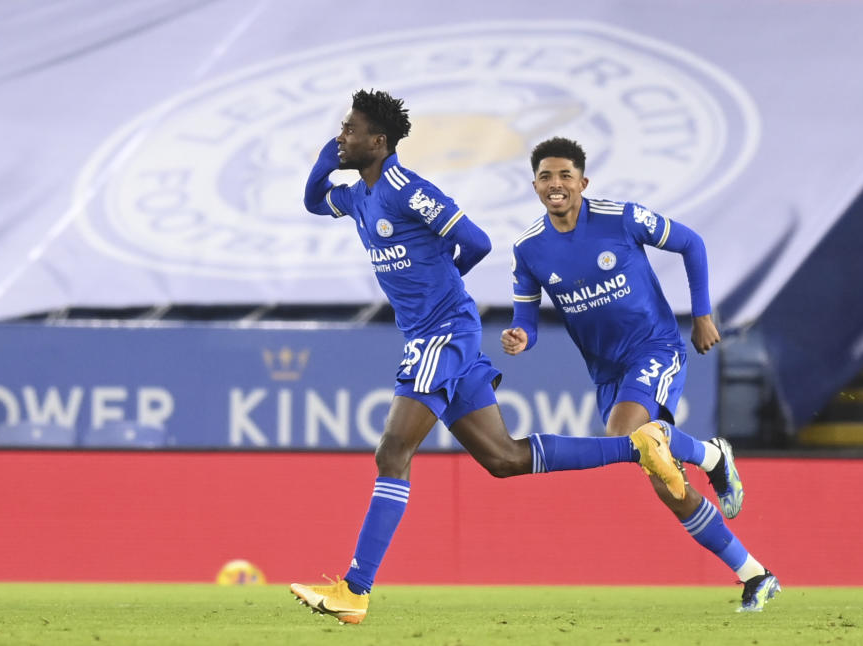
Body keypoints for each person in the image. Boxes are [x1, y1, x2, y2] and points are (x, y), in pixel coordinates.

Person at [289, 91, 686, 625]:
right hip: (431, 335)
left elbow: (473, 240)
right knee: (504, 459)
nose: (342, 135)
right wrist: (327, 156)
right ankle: (636, 446)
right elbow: (315, 201)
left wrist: (444, 288)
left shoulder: (408, 191)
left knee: (392, 451)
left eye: (350, 130)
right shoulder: (361, 195)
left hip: (443, 333)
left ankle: (355, 589)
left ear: (378, 142)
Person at [502, 136, 781, 613]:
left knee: (626, 434)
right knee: (661, 478)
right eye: (546, 176)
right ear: (534, 185)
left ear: (583, 182)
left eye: (565, 175)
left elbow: (691, 243)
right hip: (607, 372)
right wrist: (520, 338)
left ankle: (711, 454)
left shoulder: (621, 217)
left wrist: (703, 315)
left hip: (655, 346)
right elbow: (526, 320)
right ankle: (754, 573)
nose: (555, 184)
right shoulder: (529, 249)